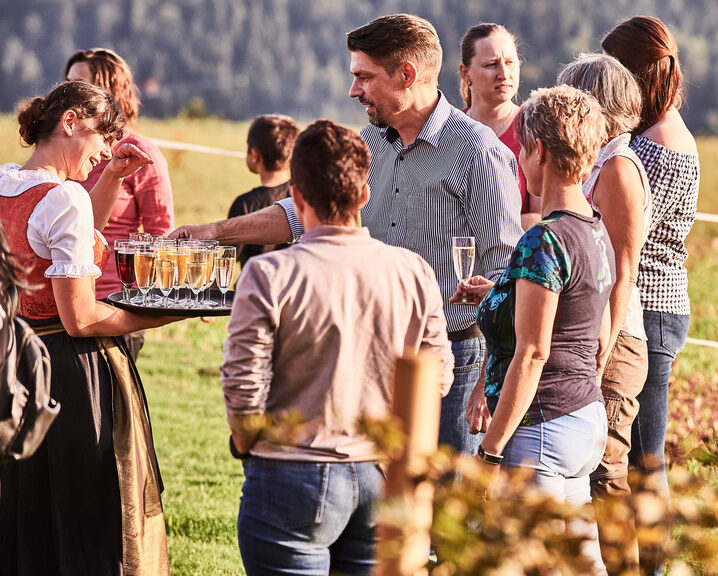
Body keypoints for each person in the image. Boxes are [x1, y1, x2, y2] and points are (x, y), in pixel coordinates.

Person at [175, 14, 523, 456]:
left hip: (454, 367)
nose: (353, 90)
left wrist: (488, 383)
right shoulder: (371, 143)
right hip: (374, 358)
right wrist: (215, 233)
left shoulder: (479, 153)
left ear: (407, 75)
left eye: (364, 77)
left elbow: (505, 277)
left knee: (440, 513)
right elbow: (304, 214)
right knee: (379, 509)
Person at [222, 119, 454, 575]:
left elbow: (243, 389)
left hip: (290, 472)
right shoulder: (412, 270)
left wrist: (246, 443)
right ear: (364, 195)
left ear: (296, 197)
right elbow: (438, 376)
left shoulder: (269, 275)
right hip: (380, 474)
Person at [0, 81, 178, 576]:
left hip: (16, 362)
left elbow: (73, 234)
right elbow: (81, 319)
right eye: (102, 138)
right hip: (68, 373)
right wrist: (168, 311)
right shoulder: (62, 200)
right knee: (85, 511)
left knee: (27, 505)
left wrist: (115, 176)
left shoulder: (6, 182)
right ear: (70, 122)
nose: (103, 152)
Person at [452, 85, 614, 575]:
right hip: (584, 418)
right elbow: (590, 320)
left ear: (539, 150)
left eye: (523, 147)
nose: (520, 158)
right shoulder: (593, 227)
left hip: (540, 428)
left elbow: (532, 353)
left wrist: (491, 452)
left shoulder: (541, 239)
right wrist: (503, 293)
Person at [603, 16, 700, 574]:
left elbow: (629, 236)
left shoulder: (661, 145)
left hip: (652, 311)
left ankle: (654, 566)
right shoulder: (660, 133)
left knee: (646, 456)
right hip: (654, 306)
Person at [558, 53, 652, 571]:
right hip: (596, 335)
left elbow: (623, 267)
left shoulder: (617, 167)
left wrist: (602, 345)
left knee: (607, 473)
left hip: (613, 341)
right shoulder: (601, 159)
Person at [65, 48, 175, 359]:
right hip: (62, 299)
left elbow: (161, 234)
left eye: (79, 83)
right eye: (67, 82)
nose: (67, 91)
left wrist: (180, 290)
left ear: (109, 91)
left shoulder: (140, 153)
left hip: (115, 303)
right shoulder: (63, 150)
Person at [459, 23, 541, 229]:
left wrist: (481, 229)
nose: (504, 73)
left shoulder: (535, 127)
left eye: (510, 62)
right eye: (491, 64)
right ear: (465, 73)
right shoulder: (450, 130)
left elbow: (542, 216)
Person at [227, 114, 299, 268]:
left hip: (254, 288)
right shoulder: (302, 196)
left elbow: (226, 263)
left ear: (254, 155)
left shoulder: (244, 204)